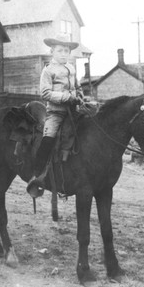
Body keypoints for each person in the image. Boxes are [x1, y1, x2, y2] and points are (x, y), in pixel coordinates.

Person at [26, 34, 83, 198]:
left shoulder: (71, 68)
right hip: (56, 112)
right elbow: (45, 93)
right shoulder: (48, 70)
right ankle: (38, 174)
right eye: (60, 50)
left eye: (66, 50)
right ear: (52, 51)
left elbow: (77, 86)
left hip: (74, 110)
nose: (64, 54)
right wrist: (66, 97)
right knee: (49, 137)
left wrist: (80, 95)